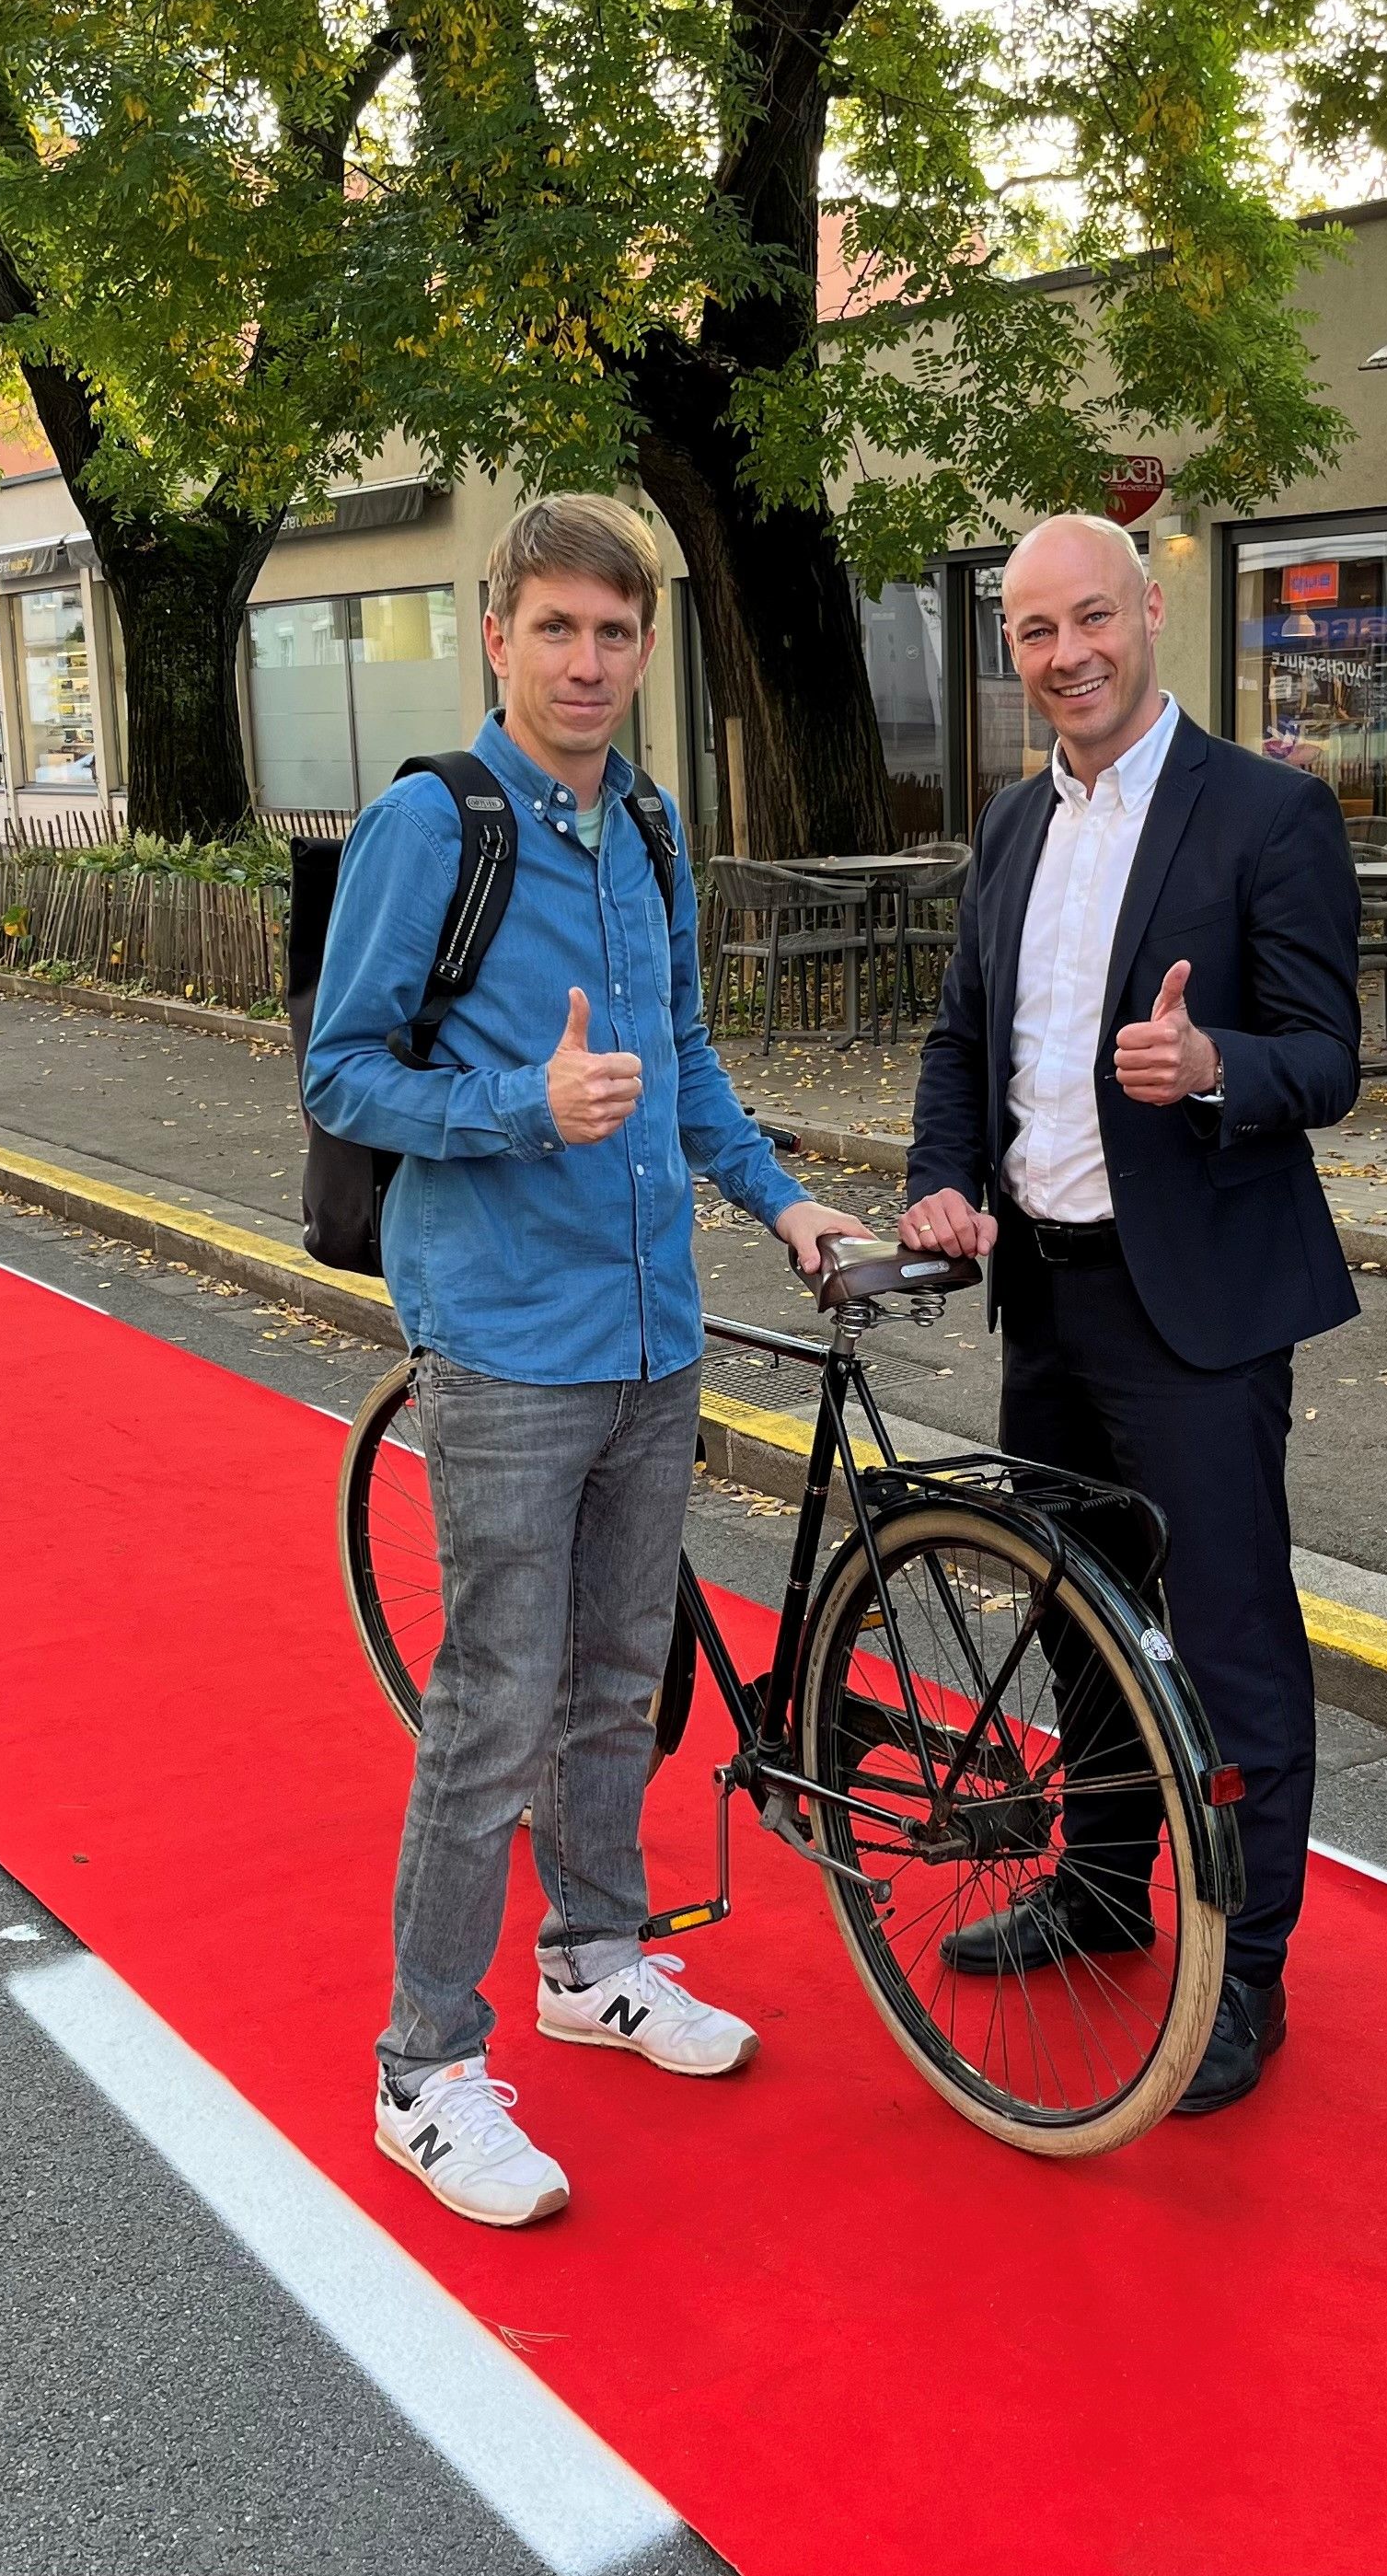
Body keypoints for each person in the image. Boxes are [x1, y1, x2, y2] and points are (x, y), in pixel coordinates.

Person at [306, 493, 861, 2225]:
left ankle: (594, 1959)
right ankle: (424, 2065)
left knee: (623, 1675)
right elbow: (340, 1077)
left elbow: (684, 1057)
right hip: (506, 1340)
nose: (590, 663)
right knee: (496, 1701)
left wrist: (784, 1206)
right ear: (498, 635)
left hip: (648, 1333)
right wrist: (517, 1108)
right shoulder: (435, 827)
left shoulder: (652, 831)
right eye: (557, 629)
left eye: (617, 635)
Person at [899, 513, 1360, 2114]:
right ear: (1013, 653)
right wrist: (941, 1179)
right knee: (1076, 1619)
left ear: (1151, 613)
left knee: (1230, 1647)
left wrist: (1218, 1065)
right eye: (1034, 632)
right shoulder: (1011, 826)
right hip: (1048, 1290)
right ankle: (1101, 1888)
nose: (1068, 654)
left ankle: (1247, 1971)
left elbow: (1333, 1056)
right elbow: (967, 1037)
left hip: (1201, 1315)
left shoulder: (1269, 813)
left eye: (1091, 618)